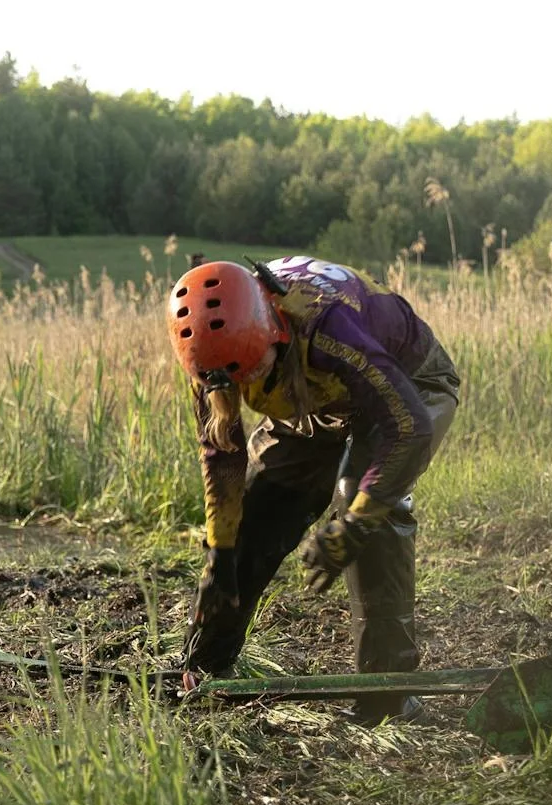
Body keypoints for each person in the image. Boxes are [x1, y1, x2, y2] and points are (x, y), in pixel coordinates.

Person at [167, 255, 461, 724]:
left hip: (409, 383)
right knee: (255, 511)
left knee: (360, 501)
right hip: (317, 399)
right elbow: (221, 458)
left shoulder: (328, 325)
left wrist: (354, 526)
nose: (246, 385)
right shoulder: (208, 350)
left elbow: (408, 429)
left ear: (272, 331)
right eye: (235, 379)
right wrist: (220, 555)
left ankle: (387, 697)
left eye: (253, 371)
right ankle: (204, 670)